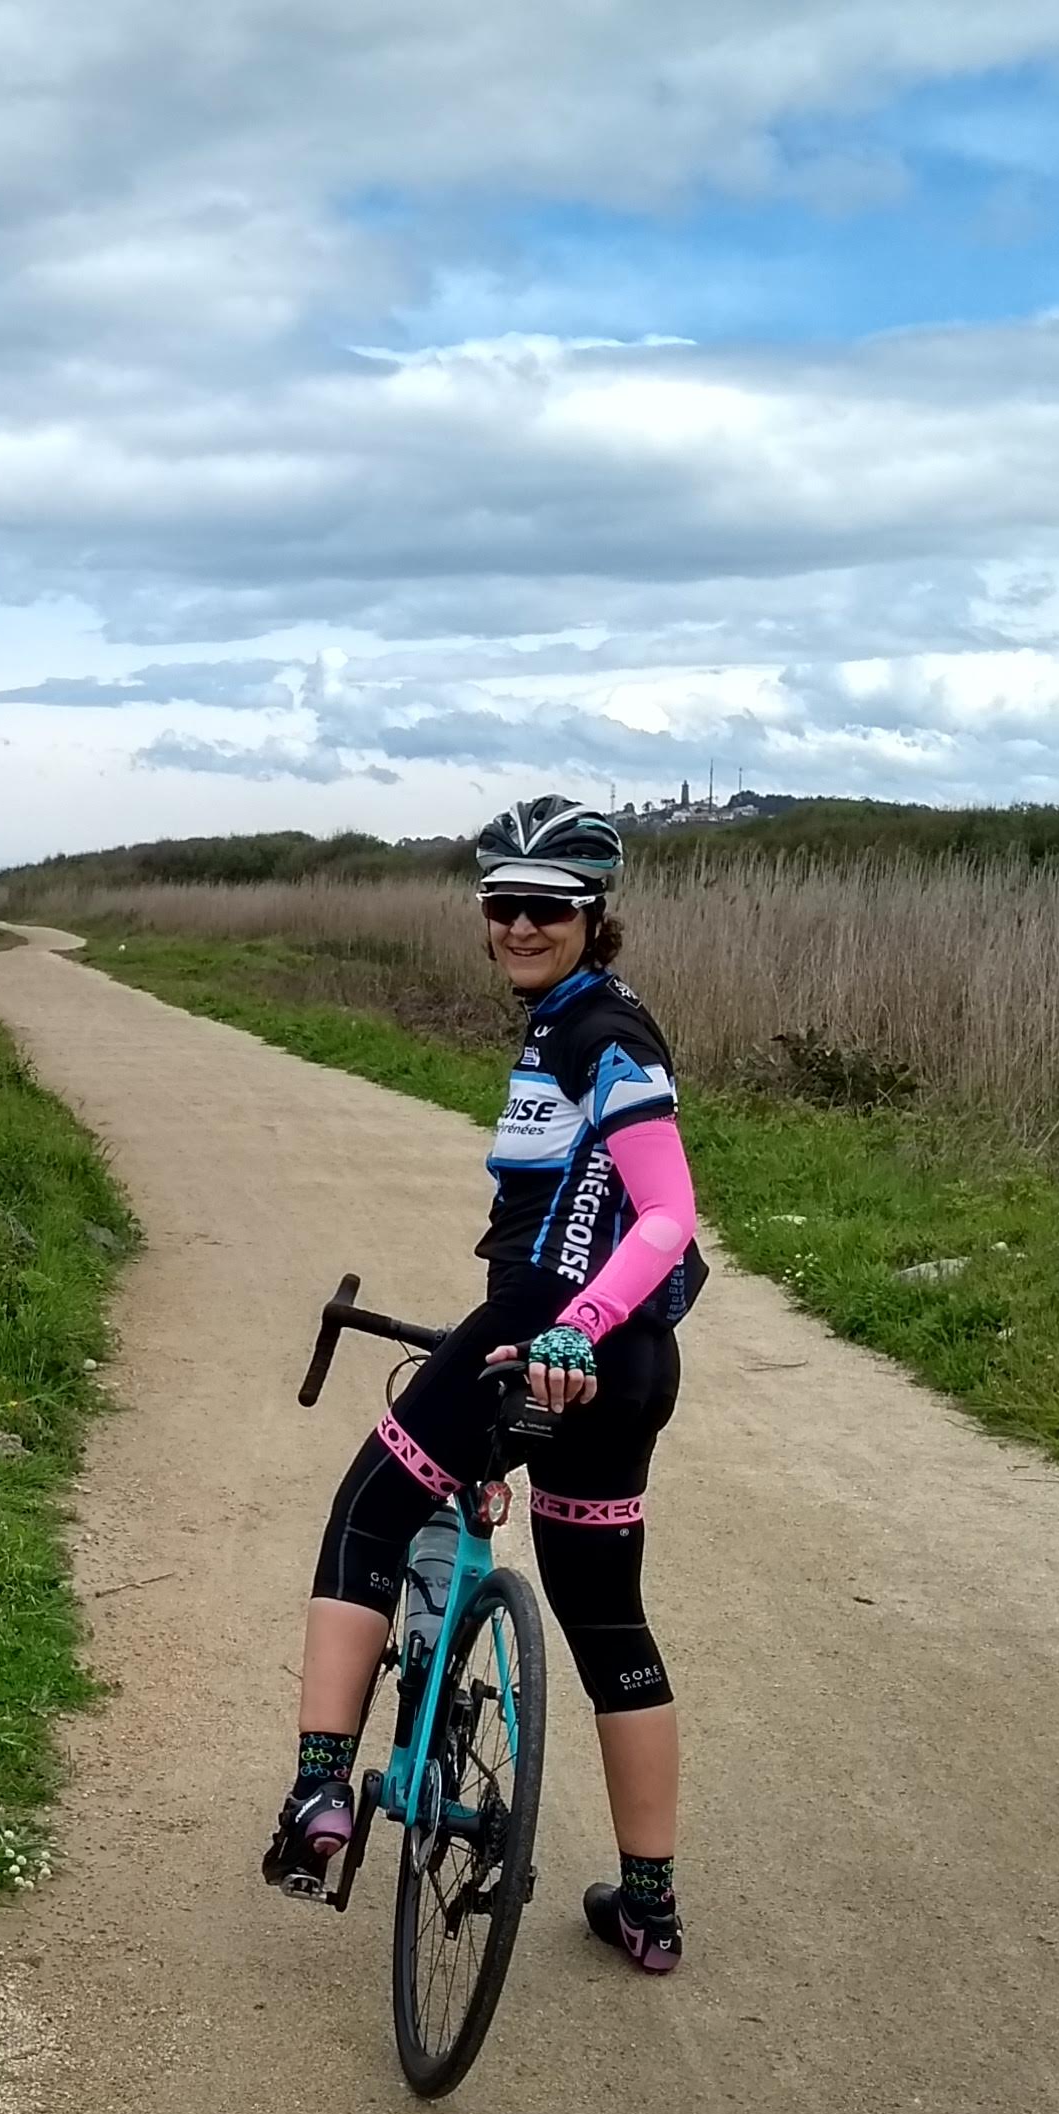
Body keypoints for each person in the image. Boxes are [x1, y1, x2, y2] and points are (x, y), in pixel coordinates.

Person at [260, 794, 705, 1974]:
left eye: (545, 909)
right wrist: (599, 1336)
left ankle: (315, 1799)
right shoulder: (561, 1022)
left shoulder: (604, 1035)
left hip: (540, 1341)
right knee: (606, 1618)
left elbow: (666, 1213)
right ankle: (647, 1906)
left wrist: (568, 1329)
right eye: (500, 905)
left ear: (592, 917)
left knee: (367, 1512)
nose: (518, 926)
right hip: (631, 1369)